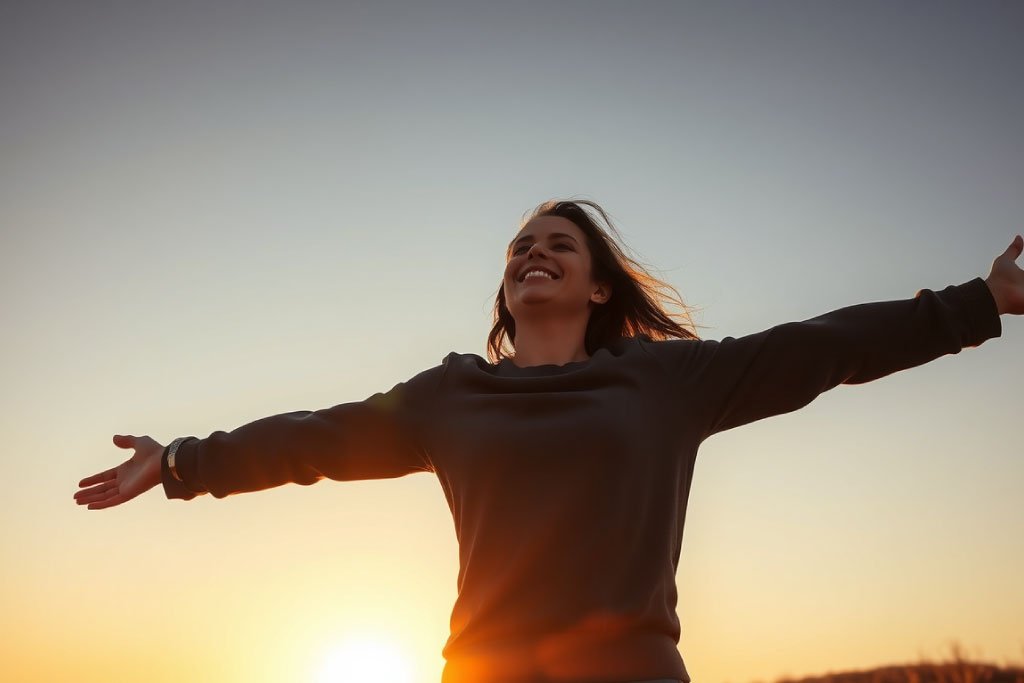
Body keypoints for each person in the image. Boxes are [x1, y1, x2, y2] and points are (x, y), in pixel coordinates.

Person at [74, 199, 1022, 683]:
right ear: (507, 288)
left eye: (560, 243)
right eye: (520, 247)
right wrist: (181, 461)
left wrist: (978, 303)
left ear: (599, 286)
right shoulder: (452, 393)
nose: (535, 251)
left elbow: (819, 348)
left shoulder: (666, 380)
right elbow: (315, 438)